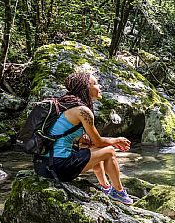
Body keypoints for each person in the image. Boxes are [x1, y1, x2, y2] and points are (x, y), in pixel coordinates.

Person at [33, 72, 133, 204]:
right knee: (109, 151)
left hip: (41, 166)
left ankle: (106, 187)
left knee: (91, 147)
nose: (100, 86)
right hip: (58, 168)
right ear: (86, 88)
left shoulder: (64, 104)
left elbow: (63, 135)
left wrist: (83, 140)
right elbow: (99, 141)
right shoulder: (83, 111)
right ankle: (119, 192)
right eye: (96, 83)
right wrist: (116, 141)